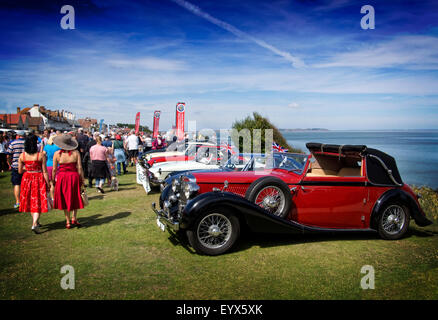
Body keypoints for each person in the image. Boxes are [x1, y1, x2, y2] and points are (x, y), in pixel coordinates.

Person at [18, 134, 49, 234]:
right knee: (38, 201)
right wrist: (48, 182)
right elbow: (44, 171)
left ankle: (36, 221)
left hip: (27, 179)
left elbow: (19, 170)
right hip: (38, 178)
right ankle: (35, 223)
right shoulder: (41, 155)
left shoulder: (22, 156)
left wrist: (28, 167)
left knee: (31, 201)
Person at [52, 134, 85, 229]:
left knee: (65, 198)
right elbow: (79, 167)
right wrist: (82, 178)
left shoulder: (57, 154)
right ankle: (74, 217)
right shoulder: (76, 153)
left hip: (62, 177)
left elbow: (54, 169)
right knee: (75, 196)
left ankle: (67, 221)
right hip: (74, 176)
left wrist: (53, 180)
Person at [7, 130, 26, 209]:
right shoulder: (27, 142)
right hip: (26, 165)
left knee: (17, 184)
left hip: (15, 165)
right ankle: (25, 200)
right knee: (25, 184)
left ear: (18, 135)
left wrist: (9, 163)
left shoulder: (13, 143)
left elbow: (8, 155)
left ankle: (18, 201)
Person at [43, 134, 60, 202]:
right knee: (58, 181)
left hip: (48, 165)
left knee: (51, 183)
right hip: (57, 165)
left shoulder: (46, 146)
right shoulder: (58, 147)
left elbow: (43, 154)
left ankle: (53, 198)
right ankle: (59, 196)